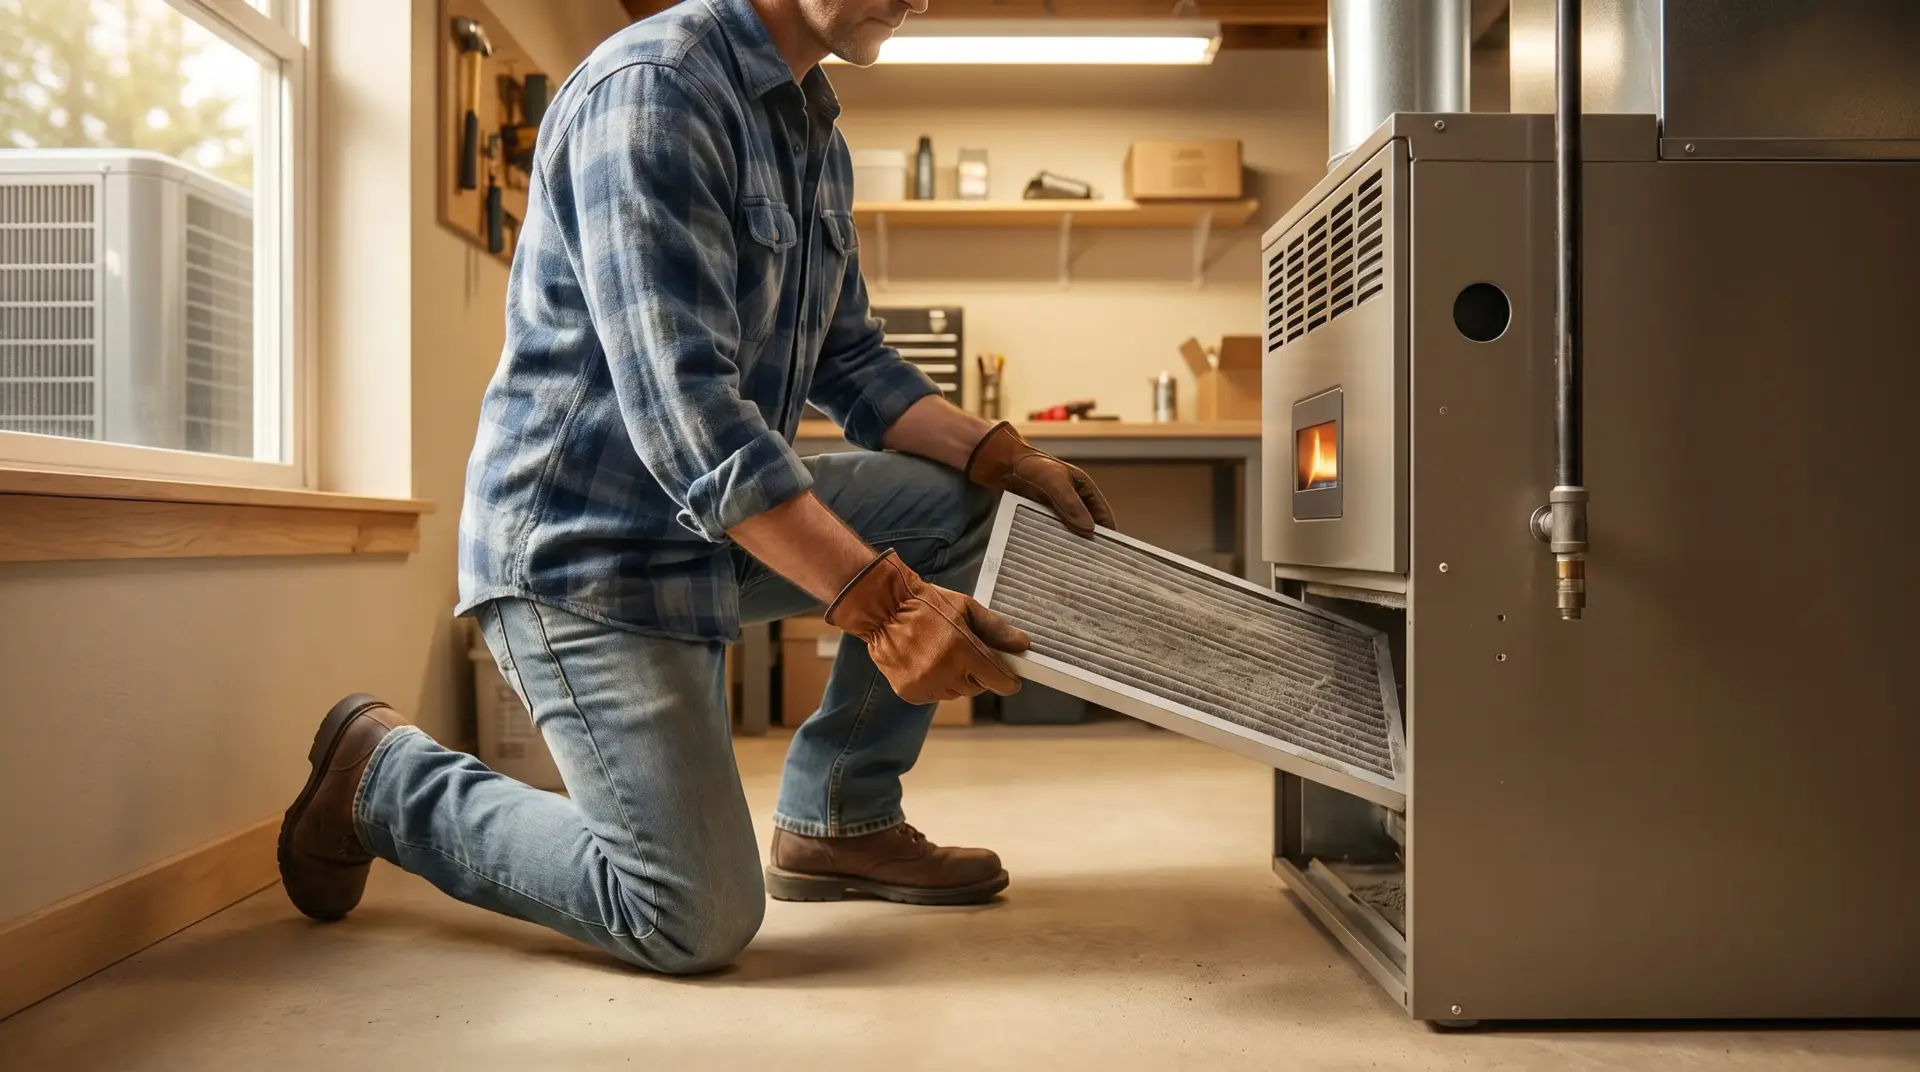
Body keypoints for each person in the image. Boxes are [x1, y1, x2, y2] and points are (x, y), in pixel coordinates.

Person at [274, 0, 1114, 975]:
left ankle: (839, 817)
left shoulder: (811, 130)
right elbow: (691, 418)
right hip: (581, 558)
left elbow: (854, 364)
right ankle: (383, 777)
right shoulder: (656, 92)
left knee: (965, 504)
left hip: (699, 532)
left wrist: (1002, 457)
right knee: (691, 912)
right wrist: (887, 606)